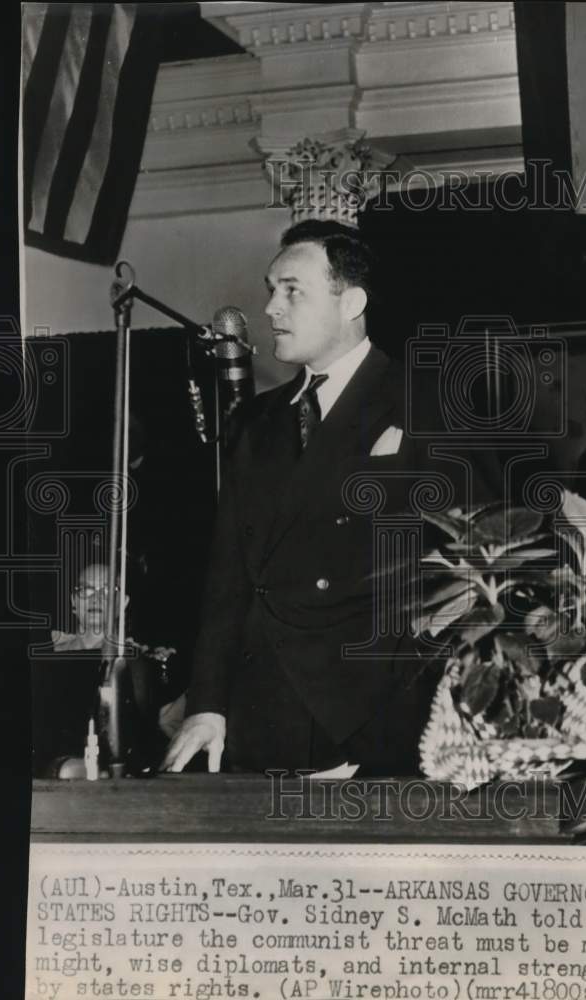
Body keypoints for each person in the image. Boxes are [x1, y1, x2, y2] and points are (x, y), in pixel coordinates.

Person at [163, 220, 497, 776]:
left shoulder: (428, 407)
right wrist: (208, 705)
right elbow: (227, 584)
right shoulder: (254, 423)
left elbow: (482, 568)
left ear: (352, 303)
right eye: (271, 289)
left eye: (292, 290)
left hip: (373, 721)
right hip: (258, 718)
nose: (271, 307)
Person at [32, 561, 175, 776]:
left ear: (123, 602)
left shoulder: (136, 661)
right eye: (86, 590)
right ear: (73, 601)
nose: (96, 598)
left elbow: (163, 725)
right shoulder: (47, 654)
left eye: (108, 590)